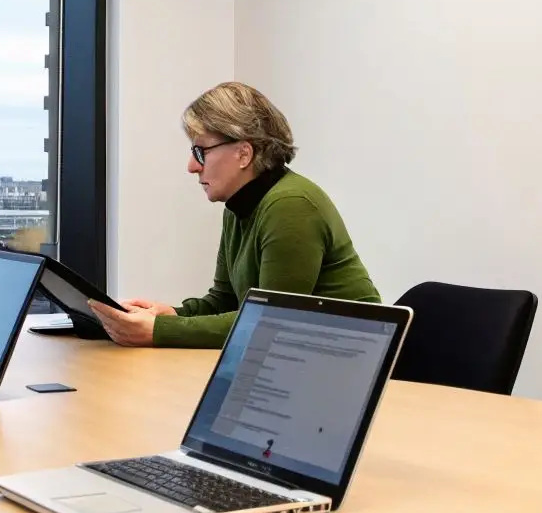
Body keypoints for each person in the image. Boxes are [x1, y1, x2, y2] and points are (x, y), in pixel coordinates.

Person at [89, 81, 380, 347]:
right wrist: (170, 314)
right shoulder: (239, 206)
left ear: (244, 154)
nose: (192, 166)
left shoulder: (291, 204)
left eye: (201, 151)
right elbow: (225, 301)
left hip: (351, 357)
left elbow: (270, 321)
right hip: (305, 355)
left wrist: (159, 330)